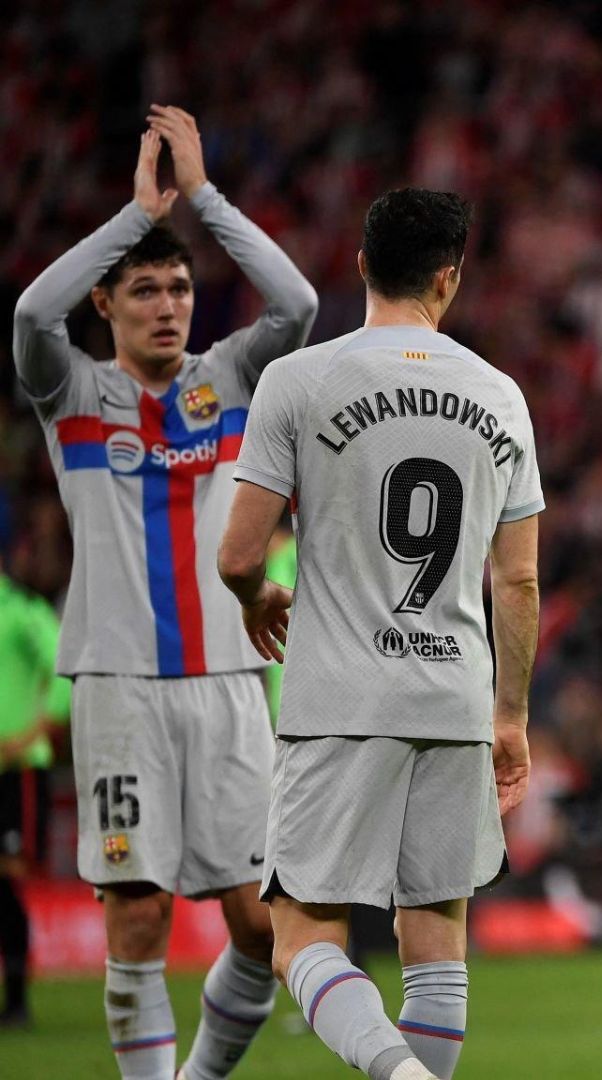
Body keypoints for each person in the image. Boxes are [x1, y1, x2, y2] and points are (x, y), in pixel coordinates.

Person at [10, 106, 318, 1079]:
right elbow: (27, 315)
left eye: (179, 286)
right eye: (143, 289)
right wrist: (134, 212)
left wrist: (205, 199)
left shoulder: (225, 382)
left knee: (264, 928)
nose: (167, 303)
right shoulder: (73, 393)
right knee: (136, 914)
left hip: (228, 682)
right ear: (105, 305)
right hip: (118, 686)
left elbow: (299, 305)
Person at [217, 188, 543, 1080]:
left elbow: (238, 553)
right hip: (455, 699)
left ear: (361, 265)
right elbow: (516, 579)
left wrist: (256, 596)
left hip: (340, 698)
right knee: (436, 941)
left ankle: (398, 1076)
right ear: (451, 276)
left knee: (300, 937)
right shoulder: (501, 395)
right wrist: (509, 713)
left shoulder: (300, 379)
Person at [0, 564, 71, 1028]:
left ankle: (18, 999)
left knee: (6, 880)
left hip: (16, 771)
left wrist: (30, 735)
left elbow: (64, 672)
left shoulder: (20, 611)